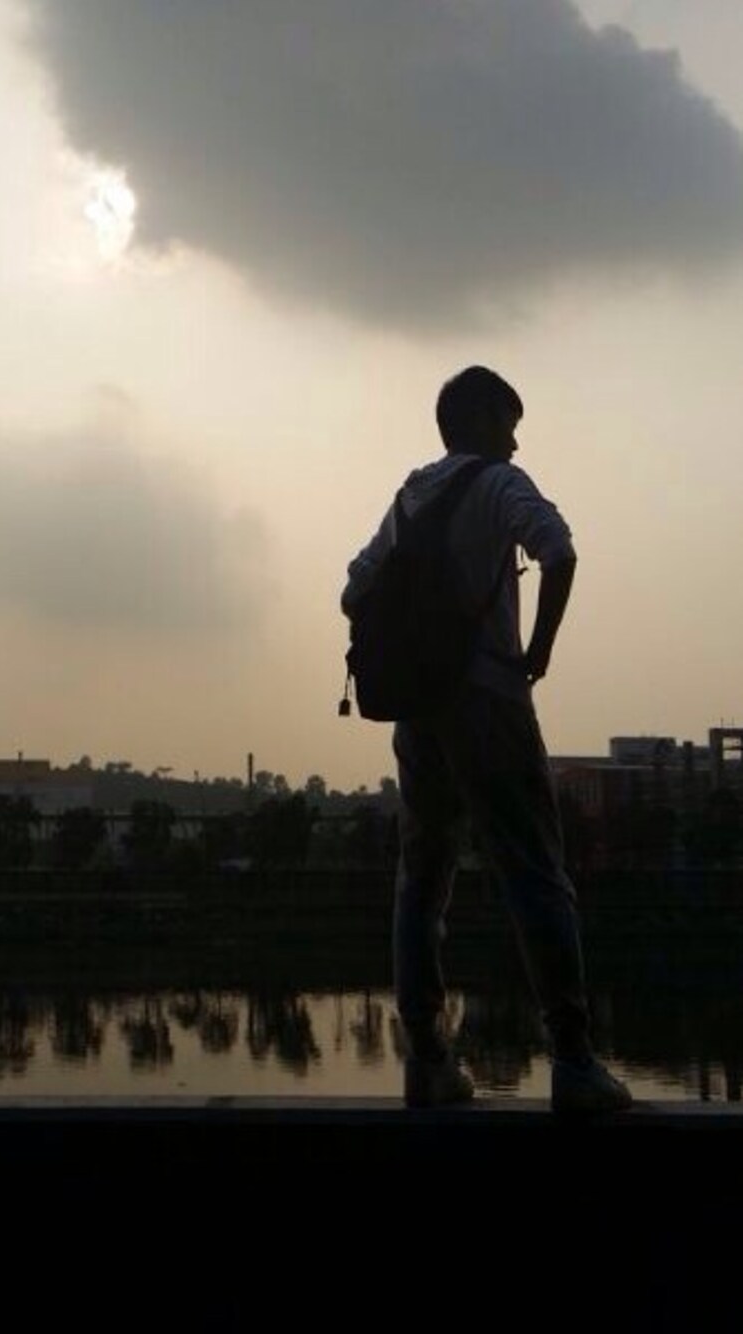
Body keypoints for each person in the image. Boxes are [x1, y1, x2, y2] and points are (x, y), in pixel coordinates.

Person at [341, 366, 632, 1114]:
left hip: (419, 713)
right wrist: (539, 650)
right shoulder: (501, 484)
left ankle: (428, 1061)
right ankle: (574, 1062)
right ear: (476, 421)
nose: (515, 442)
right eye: (508, 424)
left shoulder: (412, 495)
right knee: (535, 870)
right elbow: (559, 551)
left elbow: (354, 589)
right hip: (490, 703)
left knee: (421, 881)